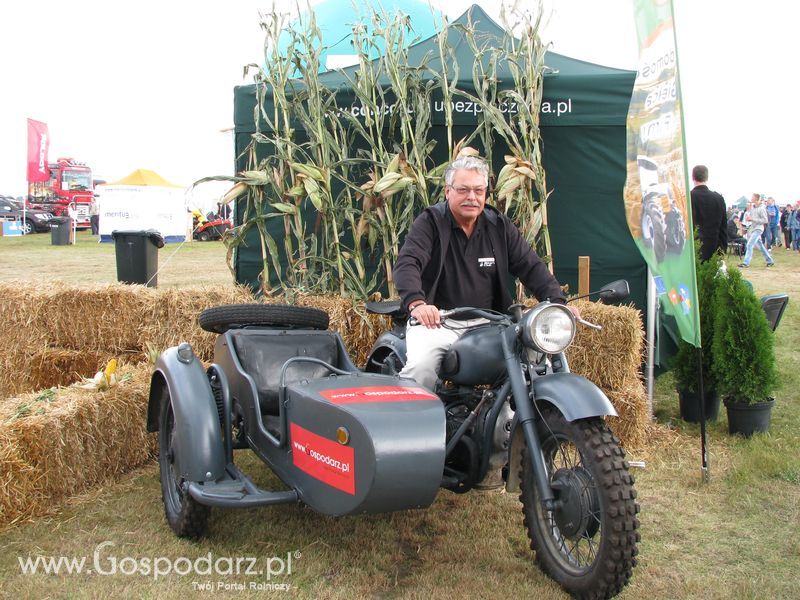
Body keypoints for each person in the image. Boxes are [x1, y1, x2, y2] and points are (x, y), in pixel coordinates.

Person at [393, 155, 576, 391]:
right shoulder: (430, 223)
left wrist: (556, 302)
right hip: (438, 323)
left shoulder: (498, 226)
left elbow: (530, 265)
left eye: (479, 191)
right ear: (448, 191)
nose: (472, 197)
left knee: (535, 359)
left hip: (491, 323)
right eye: (463, 190)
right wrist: (417, 303)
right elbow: (408, 263)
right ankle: (414, 426)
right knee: (421, 367)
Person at [689, 165, 727, 261]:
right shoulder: (718, 198)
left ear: (692, 177)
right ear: (707, 177)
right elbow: (723, 227)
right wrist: (723, 250)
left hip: (694, 250)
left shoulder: (688, 198)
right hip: (714, 248)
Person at [739, 193, 774, 268]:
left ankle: (746, 263)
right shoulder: (753, 208)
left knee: (749, 244)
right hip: (753, 228)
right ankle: (769, 260)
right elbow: (751, 218)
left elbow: (765, 220)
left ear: (756, 199)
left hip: (758, 229)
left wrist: (752, 219)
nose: (751, 198)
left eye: (752, 197)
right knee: (761, 246)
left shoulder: (762, 208)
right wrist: (749, 219)